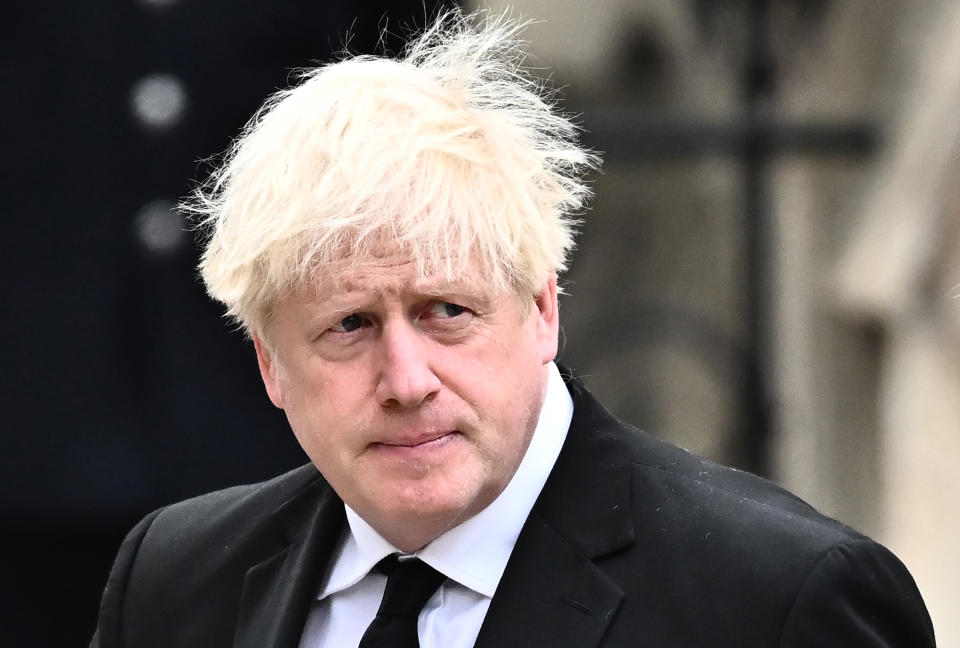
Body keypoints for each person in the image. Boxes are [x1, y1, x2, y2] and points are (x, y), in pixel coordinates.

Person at [91, 9, 935, 648]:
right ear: (270, 365)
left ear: (542, 310)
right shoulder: (174, 582)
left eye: (447, 313)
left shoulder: (781, 599)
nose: (408, 379)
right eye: (349, 326)